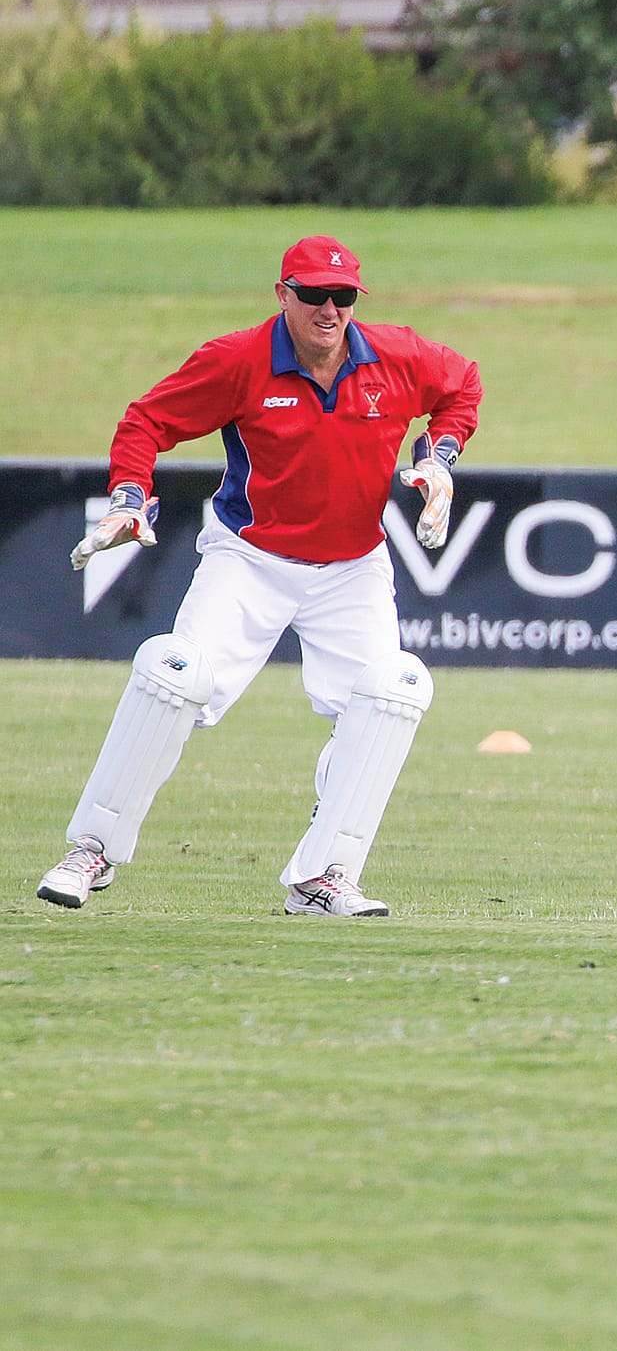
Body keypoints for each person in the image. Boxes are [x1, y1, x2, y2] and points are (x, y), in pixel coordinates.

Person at [38, 235, 481, 917]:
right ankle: (90, 851)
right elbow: (147, 421)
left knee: (390, 695)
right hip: (250, 557)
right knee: (175, 676)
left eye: (343, 297)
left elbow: (462, 388)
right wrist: (129, 496)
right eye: (313, 295)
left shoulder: (397, 355)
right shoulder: (240, 360)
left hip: (352, 567)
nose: (329, 310)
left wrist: (441, 458)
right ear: (284, 295)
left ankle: (324, 876)